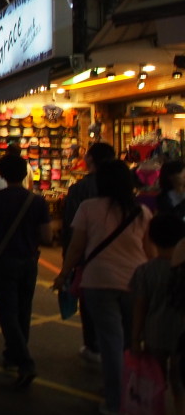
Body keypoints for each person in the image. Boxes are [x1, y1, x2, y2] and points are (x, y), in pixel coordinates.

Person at [54, 160, 154, 415]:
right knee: (129, 342)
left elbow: (77, 247)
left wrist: (64, 274)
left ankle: (116, 404)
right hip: (136, 281)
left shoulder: (89, 208)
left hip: (99, 281)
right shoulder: (141, 212)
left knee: (110, 342)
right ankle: (127, 394)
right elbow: (150, 251)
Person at [0, 155, 52, 388]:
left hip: (5, 261)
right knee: (24, 309)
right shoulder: (37, 201)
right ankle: (14, 354)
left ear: (2, 174)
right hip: (30, 261)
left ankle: (23, 360)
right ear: (24, 174)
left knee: (7, 312)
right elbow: (47, 236)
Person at [129, 212, 185, 415]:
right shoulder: (182, 270)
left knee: (156, 382)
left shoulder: (145, 271)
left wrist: (135, 339)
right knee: (180, 383)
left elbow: (139, 308)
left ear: (150, 238)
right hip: (182, 334)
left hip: (155, 332)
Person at [63, 142, 117, 364]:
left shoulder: (81, 191)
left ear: (91, 160)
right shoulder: (123, 189)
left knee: (90, 303)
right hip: (121, 261)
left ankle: (93, 345)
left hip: (90, 258)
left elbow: (72, 231)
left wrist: (67, 266)